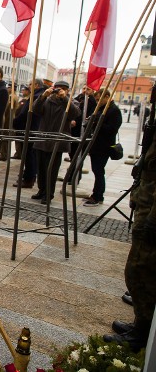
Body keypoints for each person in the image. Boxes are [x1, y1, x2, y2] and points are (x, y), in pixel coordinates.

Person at [104, 83, 155, 351]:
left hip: (152, 212)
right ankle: (141, 323)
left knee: (141, 269)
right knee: (139, 269)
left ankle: (143, 332)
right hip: (147, 202)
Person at [32, 81, 80, 204]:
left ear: (67, 90)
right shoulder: (47, 100)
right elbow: (35, 109)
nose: (60, 91)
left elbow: (75, 113)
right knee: (41, 168)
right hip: (43, 139)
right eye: (58, 89)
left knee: (52, 170)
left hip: (57, 142)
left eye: (63, 89)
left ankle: (49, 194)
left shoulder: (70, 103)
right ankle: (41, 190)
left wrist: (64, 99)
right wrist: (43, 96)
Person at [83, 90, 122, 206]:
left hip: (104, 147)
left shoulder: (114, 110)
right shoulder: (102, 108)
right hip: (96, 145)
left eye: (99, 99)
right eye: (96, 100)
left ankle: (98, 196)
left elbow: (112, 129)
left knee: (99, 171)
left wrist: (96, 122)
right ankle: (96, 194)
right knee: (96, 171)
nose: (97, 102)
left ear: (107, 97)